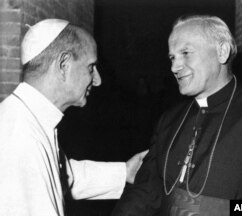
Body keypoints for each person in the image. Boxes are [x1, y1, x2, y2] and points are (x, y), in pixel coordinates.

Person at [0, 19, 148, 216]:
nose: (97, 80)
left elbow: (62, 176)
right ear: (64, 65)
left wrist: (125, 172)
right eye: (90, 67)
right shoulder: (19, 137)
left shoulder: (27, 119)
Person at [112, 15, 242, 216]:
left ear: (222, 52)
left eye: (186, 53)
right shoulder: (169, 119)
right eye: (172, 57)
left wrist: (211, 209)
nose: (174, 67)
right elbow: (145, 192)